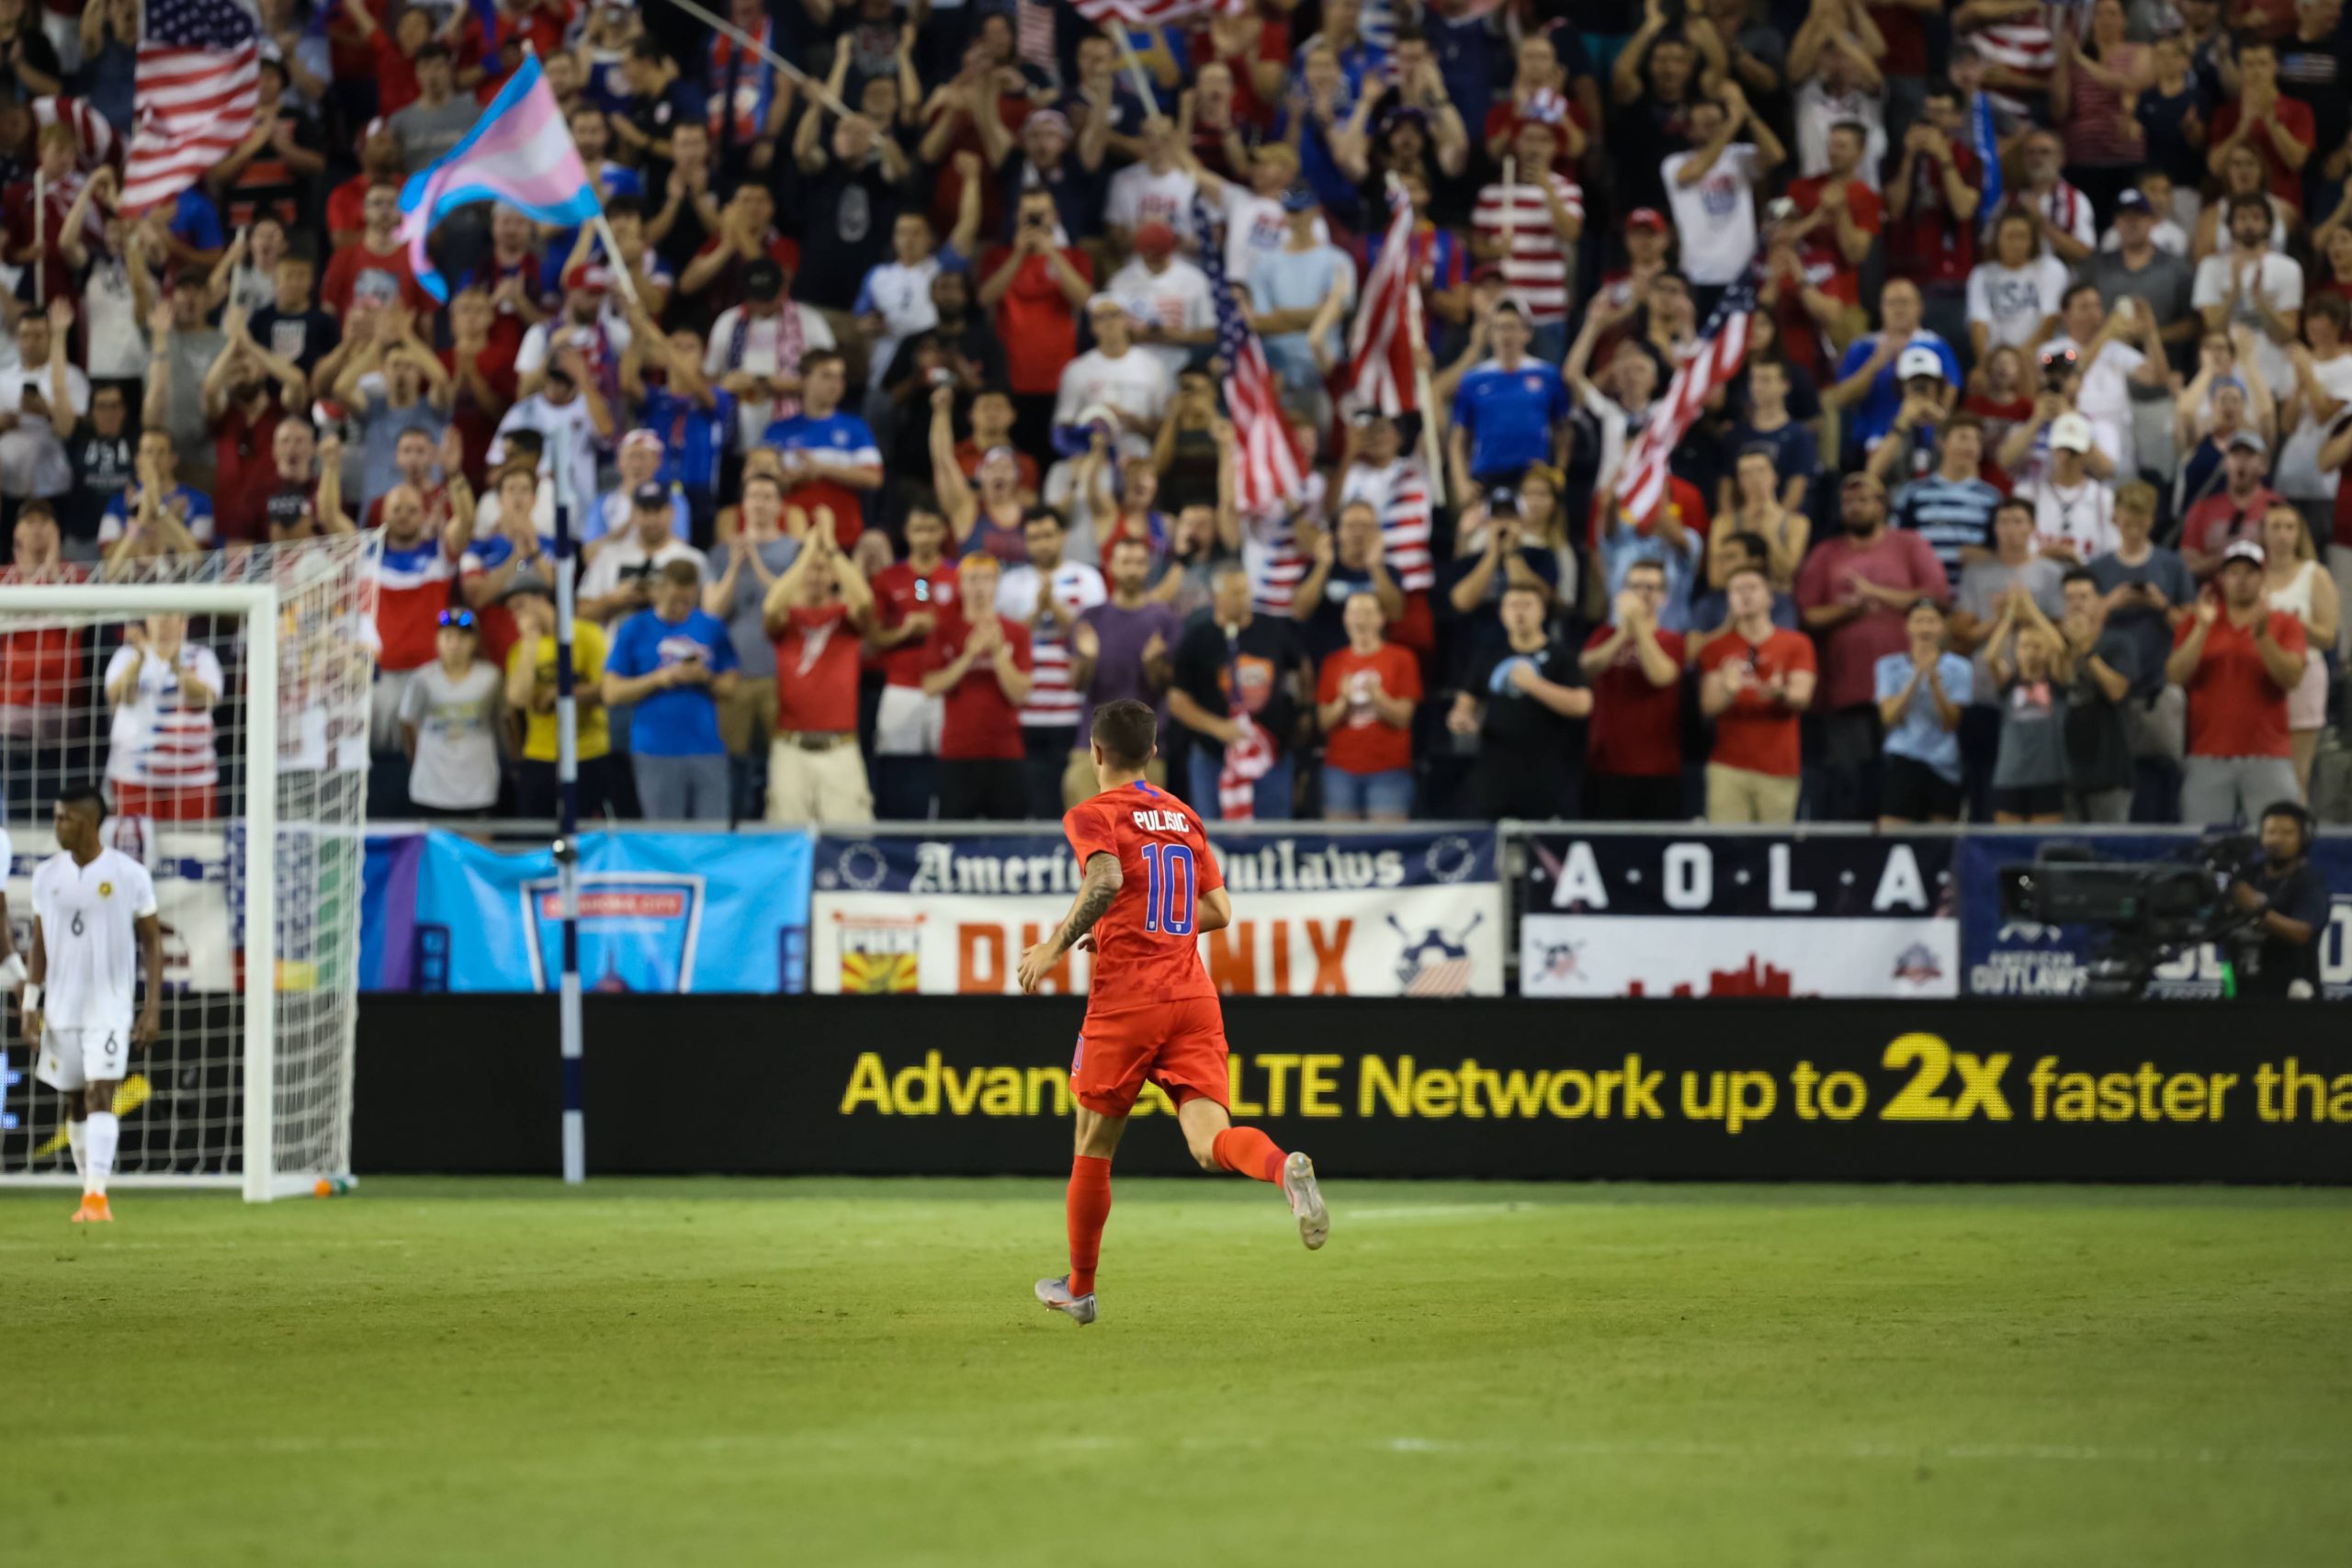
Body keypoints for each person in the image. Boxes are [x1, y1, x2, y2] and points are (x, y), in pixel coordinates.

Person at [1019, 697, 1329, 1327]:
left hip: (1128, 1000)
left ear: (1096, 752)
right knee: (1209, 1142)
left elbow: (1104, 879)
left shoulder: (1092, 812)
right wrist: (1138, 928)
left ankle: (1079, 1288)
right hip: (1191, 996)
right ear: (1153, 753)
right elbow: (1217, 910)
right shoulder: (1185, 816)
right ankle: (1280, 1168)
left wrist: (1054, 946)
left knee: (1093, 1143)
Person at [26, 783, 161, 1224]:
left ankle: (97, 1197)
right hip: (61, 1009)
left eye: (63, 817)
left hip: (110, 1006)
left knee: (101, 1092)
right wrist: (31, 1002)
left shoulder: (130, 875)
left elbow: (152, 944)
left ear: (86, 822)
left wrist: (152, 1006)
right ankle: (89, 1193)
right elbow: (39, 947)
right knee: (74, 1101)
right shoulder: (46, 875)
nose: (56, 825)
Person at [1795, 472, 1951, 819]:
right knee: (1850, 781)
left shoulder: (1909, 543)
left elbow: (1936, 596)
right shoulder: (1826, 552)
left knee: (1907, 776)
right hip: (1847, 690)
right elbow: (1808, 615)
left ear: (1882, 506)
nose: (1855, 506)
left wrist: (1877, 593)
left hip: (1908, 689)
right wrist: (1851, 609)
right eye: (1849, 501)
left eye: (1864, 499)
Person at [2166, 539, 2309, 824]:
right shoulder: (2197, 622)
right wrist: (2202, 629)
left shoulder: (2284, 623)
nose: (2242, 580)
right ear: (2222, 578)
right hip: (2208, 753)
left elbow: (2292, 677)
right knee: (2204, 841)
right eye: (2234, 572)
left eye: (2250, 572)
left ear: (2262, 576)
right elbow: (2175, 675)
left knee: (2280, 836)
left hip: (2268, 754)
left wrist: (2263, 639)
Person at [602, 558, 741, 822]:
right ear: (659, 591)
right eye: (675, 599)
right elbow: (611, 692)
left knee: (712, 836)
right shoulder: (634, 628)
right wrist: (660, 679)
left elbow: (731, 686)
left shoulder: (711, 627)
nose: (681, 608)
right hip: (655, 750)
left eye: (688, 601)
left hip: (707, 748)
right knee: (665, 837)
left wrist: (705, 677)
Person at [1169, 563, 1308, 821]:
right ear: (1217, 597)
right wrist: (1219, 727)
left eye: (1245, 591)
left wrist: (1302, 711)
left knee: (1275, 835)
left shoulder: (1274, 629)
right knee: (1212, 837)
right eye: (1234, 593)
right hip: (1213, 755)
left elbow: (1302, 668)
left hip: (1271, 753)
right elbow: (1177, 701)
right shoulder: (1198, 638)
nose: (1243, 599)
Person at [1446, 580, 1591, 820]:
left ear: (1542, 612)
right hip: (1495, 779)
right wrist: (1460, 720)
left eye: (1527, 605)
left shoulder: (1561, 656)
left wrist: (1534, 685)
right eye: (1513, 605)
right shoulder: (1488, 655)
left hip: (1546, 779)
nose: (1520, 612)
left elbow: (1582, 704)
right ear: (1502, 613)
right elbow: (1463, 705)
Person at [762, 521, 876, 825]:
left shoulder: (845, 619)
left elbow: (864, 601)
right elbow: (772, 606)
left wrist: (833, 549)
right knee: (785, 836)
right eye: (810, 569)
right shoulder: (787, 620)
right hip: (791, 747)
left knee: (851, 837)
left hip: (840, 748)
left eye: (822, 569)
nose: (815, 575)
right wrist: (807, 552)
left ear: (834, 575)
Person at [996, 507, 1107, 817]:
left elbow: (1095, 640)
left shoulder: (1088, 579)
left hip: (1075, 712)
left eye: (1047, 535)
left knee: (1080, 805)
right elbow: (1002, 642)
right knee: (1038, 806)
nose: (1041, 543)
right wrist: (1035, 612)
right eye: (1033, 537)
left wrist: (1055, 609)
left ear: (1062, 536)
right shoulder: (1011, 583)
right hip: (1025, 713)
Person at [1698, 563, 1816, 823]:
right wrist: (1728, 691)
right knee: (1726, 850)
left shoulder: (1796, 643)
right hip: (1728, 767)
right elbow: (1708, 705)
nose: (1745, 595)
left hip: (1779, 767)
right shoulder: (1716, 648)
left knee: (1775, 851)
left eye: (1752, 588)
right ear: (1728, 599)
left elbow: (1802, 698)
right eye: (1736, 590)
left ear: (1770, 597)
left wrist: (1780, 693)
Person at [922, 550, 1034, 821]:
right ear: (960, 585)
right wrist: (969, 655)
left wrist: (998, 653)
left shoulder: (1016, 632)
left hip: (1005, 753)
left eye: (986, 579)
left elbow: (1020, 694)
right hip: (957, 754)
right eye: (972, 580)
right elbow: (930, 686)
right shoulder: (944, 631)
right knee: (952, 843)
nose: (979, 587)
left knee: (1010, 847)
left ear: (996, 585)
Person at [503, 576, 615, 822]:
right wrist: (531, 640)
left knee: (587, 831)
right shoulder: (521, 650)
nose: (516, 616)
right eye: (512, 611)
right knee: (534, 835)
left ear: (541, 599)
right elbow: (517, 699)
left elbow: (606, 689)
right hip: (540, 754)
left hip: (587, 750)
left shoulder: (586, 634)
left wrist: (560, 694)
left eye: (520, 605)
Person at [1579, 561, 1686, 821]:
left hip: (1659, 768)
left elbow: (1661, 676)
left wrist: (1638, 627)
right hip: (1606, 765)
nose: (1642, 594)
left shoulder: (1672, 640)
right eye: (1635, 586)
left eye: (1650, 587)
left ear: (1663, 597)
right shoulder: (1604, 634)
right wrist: (1621, 635)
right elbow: (1587, 666)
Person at [102, 614, 222, 822]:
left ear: (183, 621)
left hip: (192, 777)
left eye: (170, 615)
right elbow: (118, 697)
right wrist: (139, 661)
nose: (163, 621)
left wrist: (177, 668)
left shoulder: (201, 656)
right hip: (134, 774)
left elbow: (206, 700)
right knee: (136, 847)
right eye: (157, 615)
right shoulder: (127, 655)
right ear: (147, 620)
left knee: (193, 848)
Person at [1315, 592, 1420, 822]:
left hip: (1389, 769)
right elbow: (1323, 722)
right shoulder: (1333, 662)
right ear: (1345, 618)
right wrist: (1343, 700)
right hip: (1340, 769)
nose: (1361, 619)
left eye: (1368, 612)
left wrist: (1378, 697)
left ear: (1381, 619)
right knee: (1340, 847)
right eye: (1354, 612)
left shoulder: (1402, 658)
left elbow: (1403, 718)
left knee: (1388, 847)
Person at [2259, 502, 2338, 799]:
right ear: (2263, 533)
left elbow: (2329, 636)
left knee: (2295, 775)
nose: (2282, 535)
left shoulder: (2314, 574)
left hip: (2304, 674)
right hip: (2261, 675)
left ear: (2299, 533)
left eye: (2289, 527)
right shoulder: (2253, 575)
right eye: (2275, 527)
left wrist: (2295, 624)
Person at [397, 608, 503, 818]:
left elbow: (502, 719)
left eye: (462, 637)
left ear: (474, 642)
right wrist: (417, 757)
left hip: (477, 782)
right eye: (448, 636)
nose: (454, 644)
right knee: (432, 846)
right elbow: (407, 722)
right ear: (437, 640)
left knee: (478, 847)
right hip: (431, 784)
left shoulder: (491, 677)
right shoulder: (422, 679)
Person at [1875, 599, 1970, 827]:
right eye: (1919, 621)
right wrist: (1916, 676)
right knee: (1892, 829)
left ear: (1942, 627)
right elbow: (1889, 717)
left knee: (1941, 840)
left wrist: (1936, 685)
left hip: (1944, 762)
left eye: (1931, 621)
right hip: (1903, 758)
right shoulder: (1888, 666)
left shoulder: (1960, 667)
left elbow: (1952, 722)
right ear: (1908, 626)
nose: (1925, 628)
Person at [1984, 593, 2073, 825]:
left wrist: (2033, 611)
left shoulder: (2056, 682)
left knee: (2043, 848)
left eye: (2037, 646)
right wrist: (2009, 617)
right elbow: (1991, 656)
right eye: (2024, 646)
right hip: (2010, 776)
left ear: (2046, 651)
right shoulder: (2009, 683)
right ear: (2016, 650)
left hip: (2048, 776)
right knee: (2009, 848)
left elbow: (2061, 648)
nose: (2031, 652)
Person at [2058, 568, 2139, 823]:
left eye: (2083, 597)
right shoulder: (2056, 645)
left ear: (2100, 601)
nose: (2076, 604)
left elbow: (2117, 691)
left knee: (2111, 855)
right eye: (2070, 598)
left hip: (2110, 770)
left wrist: (2087, 652)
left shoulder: (2118, 642)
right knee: (2068, 856)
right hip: (2064, 773)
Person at [2226, 801, 2329, 998]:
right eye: (2271, 832)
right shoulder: (2247, 876)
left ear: (2304, 838)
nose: (2276, 840)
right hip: (2241, 992)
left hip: (2292, 997)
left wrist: (2257, 910)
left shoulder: (2309, 882)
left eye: (2287, 833)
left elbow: (2302, 933)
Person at [1894, 415, 2003, 580]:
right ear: (1942, 442)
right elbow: (1897, 543)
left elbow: (2000, 549)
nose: (1971, 445)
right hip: (1924, 594)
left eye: (1977, 440)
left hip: (1973, 593)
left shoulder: (1992, 497)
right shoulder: (1913, 493)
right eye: (1963, 437)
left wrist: (1985, 555)